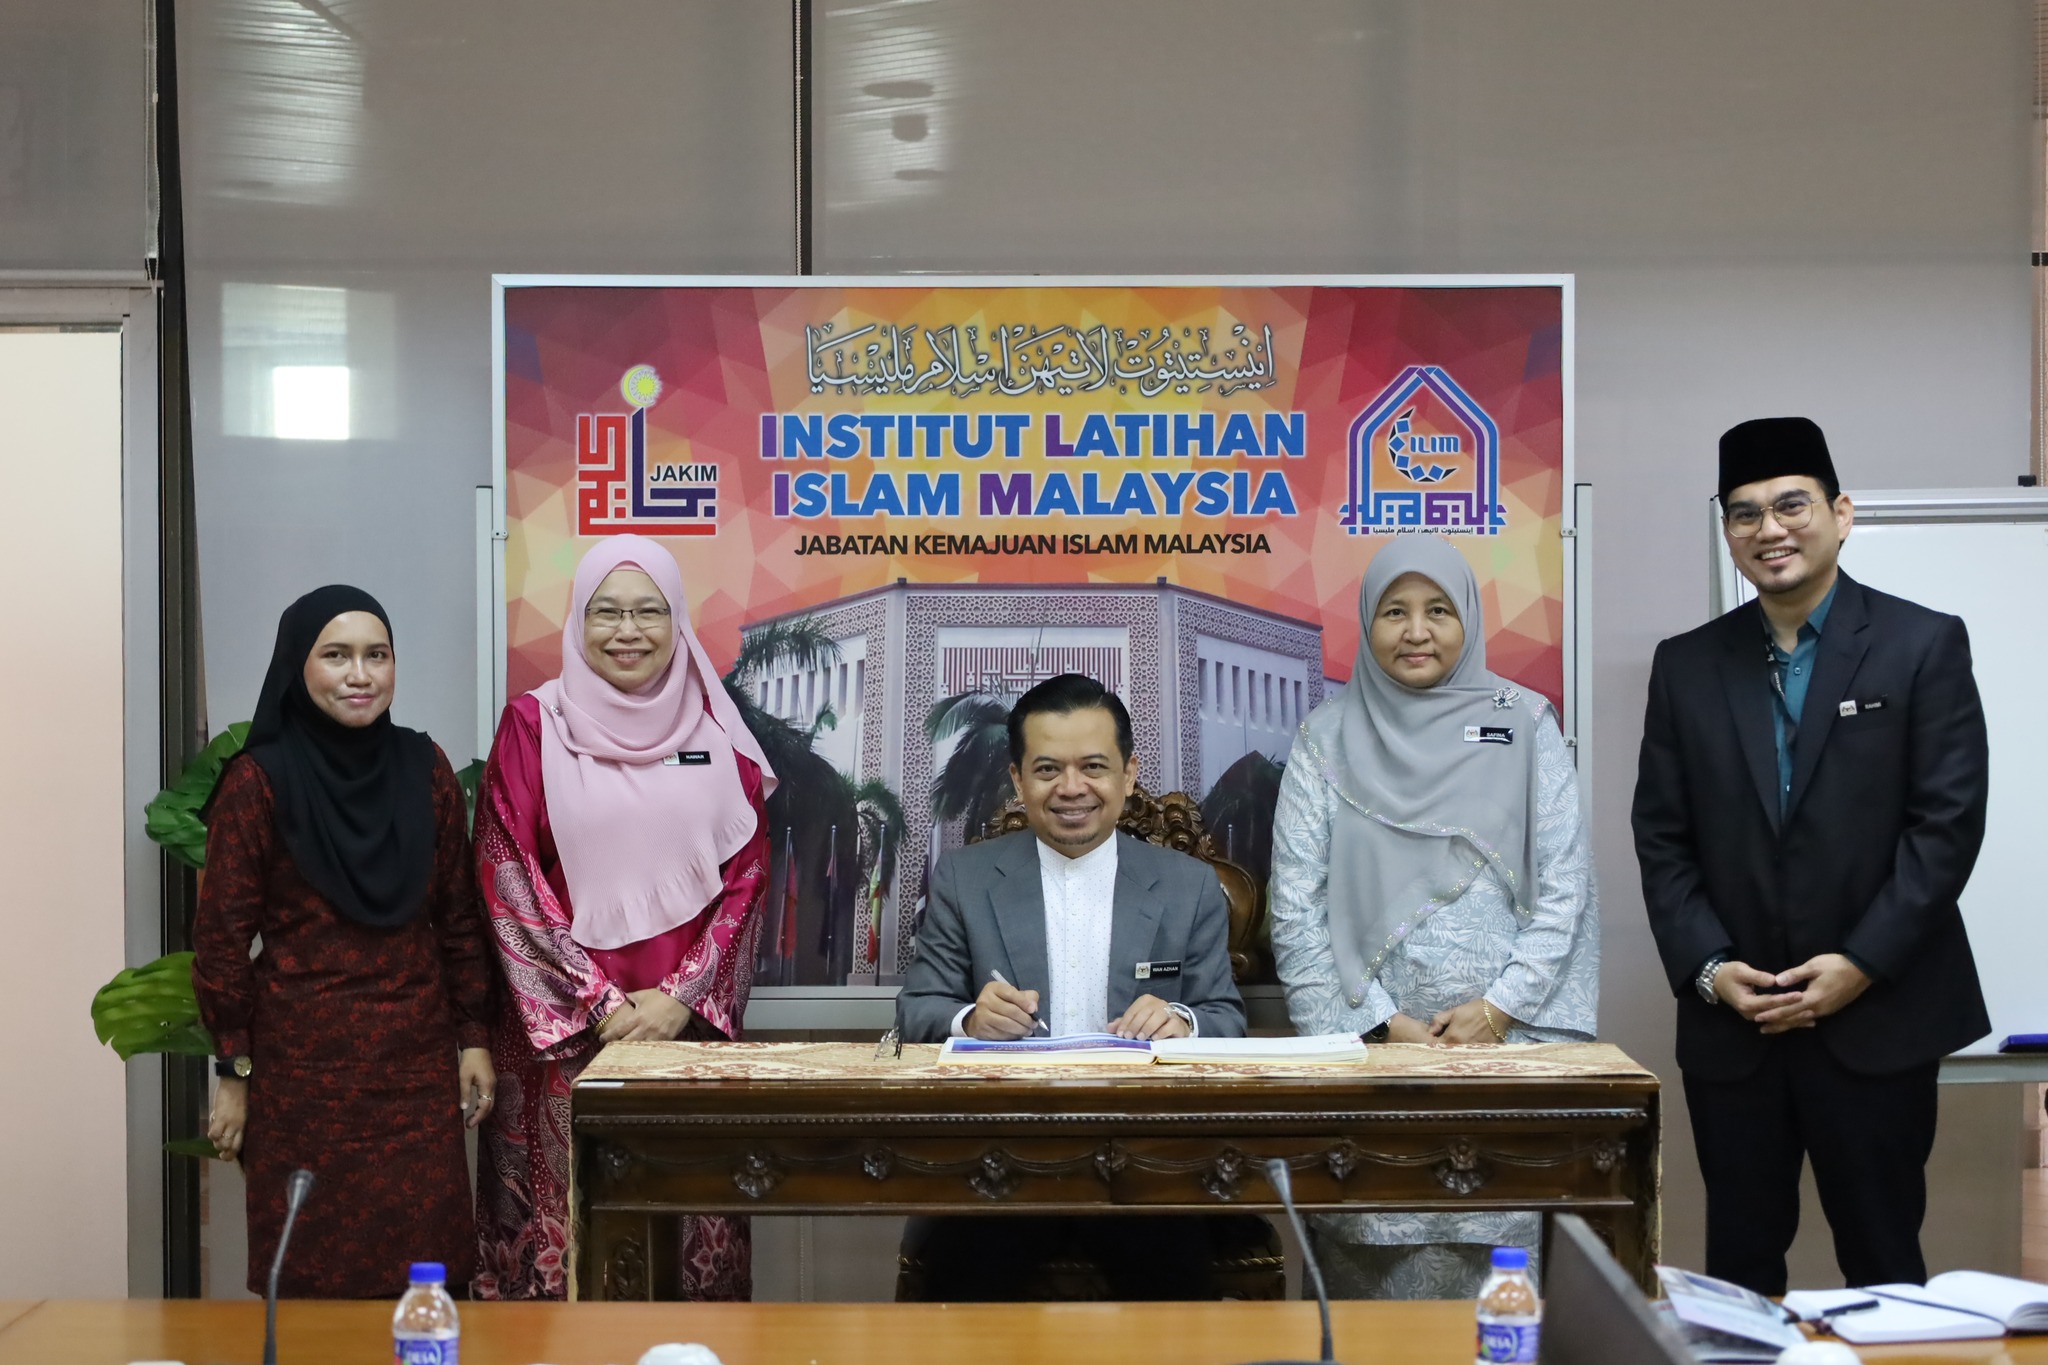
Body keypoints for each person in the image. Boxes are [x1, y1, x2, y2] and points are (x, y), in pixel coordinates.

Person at [1633, 417, 1990, 1294]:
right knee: (1739, 1273)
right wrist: (1712, 968)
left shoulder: (1922, 643)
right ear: (1728, 531)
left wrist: (1859, 964)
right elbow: (1663, 837)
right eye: (1745, 513)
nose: (1770, 528)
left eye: (1791, 504)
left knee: (1885, 1263)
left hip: (1878, 1016)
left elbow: (1945, 826)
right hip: (1737, 1024)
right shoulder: (1686, 665)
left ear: (1842, 513)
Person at [1268, 534, 1599, 1300]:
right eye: (1395, 611)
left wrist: (1499, 1008)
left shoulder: (1525, 724)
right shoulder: (1325, 737)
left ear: (1468, 619)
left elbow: (1566, 888)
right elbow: (1295, 909)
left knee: (1500, 1281)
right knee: (1370, 1272)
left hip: (1500, 1061)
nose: (1416, 631)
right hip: (1371, 1064)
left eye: (1439, 610)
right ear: (1367, 620)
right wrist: (1378, 1027)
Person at [473, 535, 776, 1301]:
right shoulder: (532, 726)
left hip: (685, 1041)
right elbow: (508, 870)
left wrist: (681, 998)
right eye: (606, 611)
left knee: (689, 1249)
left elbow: (747, 876)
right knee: (564, 1255)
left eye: (649, 611)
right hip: (563, 1048)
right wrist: (597, 1001)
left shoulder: (718, 735)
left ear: (678, 622)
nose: (628, 631)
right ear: (579, 620)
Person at [894, 672, 1248, 1299]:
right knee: (963, 1295)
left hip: (1144, 1160)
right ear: (1017, 780)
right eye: (1048, 769)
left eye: (1093, 766)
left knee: (1175, 1298)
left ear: (1129, 774)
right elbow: (917, 1011)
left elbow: (1226, 1018)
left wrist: (1183, 1022)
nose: (1072, 788)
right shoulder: (965, 879)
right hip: (1005, 1158)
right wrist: (969, 1022)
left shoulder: (1187, 884)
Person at [193, 586, 495, 1298]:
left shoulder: (424, 768)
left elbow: (458, 917)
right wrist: (234, 1072)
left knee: (427, 1274)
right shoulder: (257, 782)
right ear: (298, 665)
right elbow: (221, 942)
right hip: (301, 1079)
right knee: (310, 1277)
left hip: (414, 1074)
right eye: (336, 655)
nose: (360, 674)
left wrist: (474, 1038)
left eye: (376, 655)